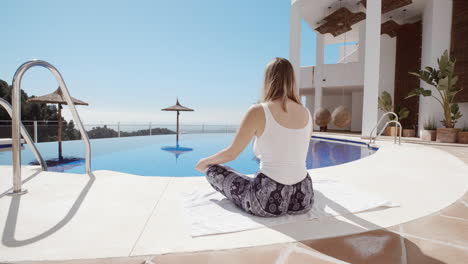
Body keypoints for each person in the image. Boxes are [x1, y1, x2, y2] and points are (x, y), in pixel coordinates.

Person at [195, 57, 314, 217]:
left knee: (213, 169)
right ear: (292, 80)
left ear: (267, 80)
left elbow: (232, 153)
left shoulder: (258, 111)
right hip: (303, 198)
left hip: (267, 200)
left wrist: (204, 163)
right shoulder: (306, 112)